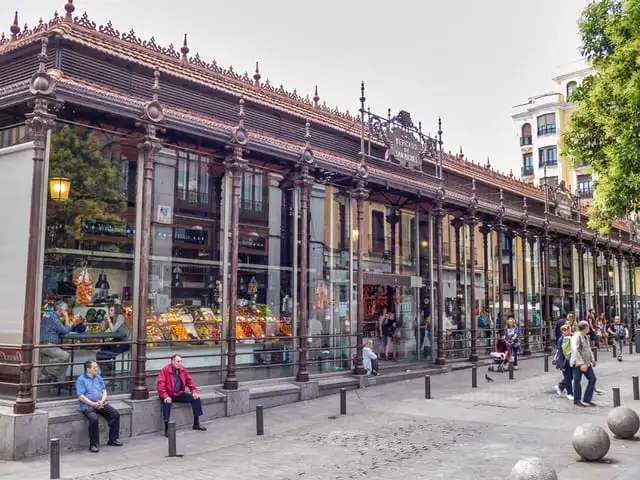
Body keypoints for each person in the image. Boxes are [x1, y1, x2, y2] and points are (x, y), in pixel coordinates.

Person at [75, 360, 122, 453]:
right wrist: (92, 404)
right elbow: (81, 396)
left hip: (100, 403)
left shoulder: (98, 377)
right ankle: (94, 444)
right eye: (94, 367)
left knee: (115, 415)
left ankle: (113, 439)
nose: (97, 369)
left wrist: (102, 401)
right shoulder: (81, 380)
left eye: (97, 367)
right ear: (88, 369)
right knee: (94, 419)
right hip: (87, 405)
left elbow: (104, 391)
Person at [157, 354, 206, 437]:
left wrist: (194, 391)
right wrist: (165, 396)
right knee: (167, 403)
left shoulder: (182, 369)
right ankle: (166, 429)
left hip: (178, 394)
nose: (179, 363)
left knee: (195, 398)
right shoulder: (165, 370)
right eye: (178, 361)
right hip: (168, 394)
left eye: (180, 362)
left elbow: (189, 381)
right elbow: (160, 385)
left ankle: (196, 424)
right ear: (172, 361)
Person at [96, 301, 131, 376]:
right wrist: (105, 321)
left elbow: (113, 330)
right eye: (109, 310)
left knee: (104, 355)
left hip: (126, 343)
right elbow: (103, 331)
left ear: (116, 311)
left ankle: (108, 374)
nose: (109, 312)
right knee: (104, 347)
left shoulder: (120, 317)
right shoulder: (112, 319)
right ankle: (108, 374)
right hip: (119, 340)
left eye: (111, 310)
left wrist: (109, 321)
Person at [39, 300, 71, 381]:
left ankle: (60, 381)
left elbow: (61, 331)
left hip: (48, 344)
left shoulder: (52, 316)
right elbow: (65, 330)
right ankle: (46, 372)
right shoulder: (53, 317)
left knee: (62, 363)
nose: (66, 312)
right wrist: (67, 318)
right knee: (65, 356)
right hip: (47, 344)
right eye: (65, 310)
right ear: (60, 310)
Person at [570, 320, 597, 407]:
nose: (589, 328)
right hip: (578, 363)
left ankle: (587, 399)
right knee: (577, 381)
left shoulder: (585, 336)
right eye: (588, 327)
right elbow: (575, 350)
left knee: (592, 379)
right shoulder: (576, 337)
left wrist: (592, 359)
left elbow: (588, 349)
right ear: (585, 328)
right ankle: (577, 400)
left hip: (587, 363)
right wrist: (581, 363)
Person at [554, 324, 573, 400]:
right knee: (568, 377)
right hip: (565, 361)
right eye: (565, 330)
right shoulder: (562, 339)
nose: (567, 331)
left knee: (570, 377)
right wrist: (561, 364)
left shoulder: (568, 338)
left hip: (569, 360)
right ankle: (569, 393)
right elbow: (562, 352)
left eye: (568, 330)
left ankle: (560, 386)